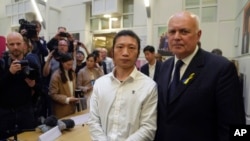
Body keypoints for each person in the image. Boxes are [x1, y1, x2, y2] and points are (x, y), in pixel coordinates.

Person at [154, 11, 245, 141]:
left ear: (198, 35)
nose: (176, 37)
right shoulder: (163, 67)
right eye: (172, 32)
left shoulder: (221, 68)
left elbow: (236, 125)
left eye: (184, 32)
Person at [88, 30, 158, 140]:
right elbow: (93, 120)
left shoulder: (149, 86)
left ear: (138, 53)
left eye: (131, 48)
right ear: (112, 52)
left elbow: (148, 127)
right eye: (120, 47)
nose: (125, 52)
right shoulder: (100, 84)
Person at [0, 32, 38, 139]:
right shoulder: (1, 64)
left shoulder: (32, 64)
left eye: (18, 43)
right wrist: (10, 73)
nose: (15, 47)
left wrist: (34, 85)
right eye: (12, 44)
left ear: (24, 45)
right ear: (7, 46)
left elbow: (42, 90)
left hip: (26, 113)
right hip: (5, 115)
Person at [49, 53, 78, 119]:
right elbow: (52, 94)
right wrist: (67, 99)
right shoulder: (56, 76)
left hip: (72, 107)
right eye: (68, 64)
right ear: (62, 63)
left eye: (71, 64)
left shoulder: (72, 73)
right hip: (61, 109)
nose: (70, 66)